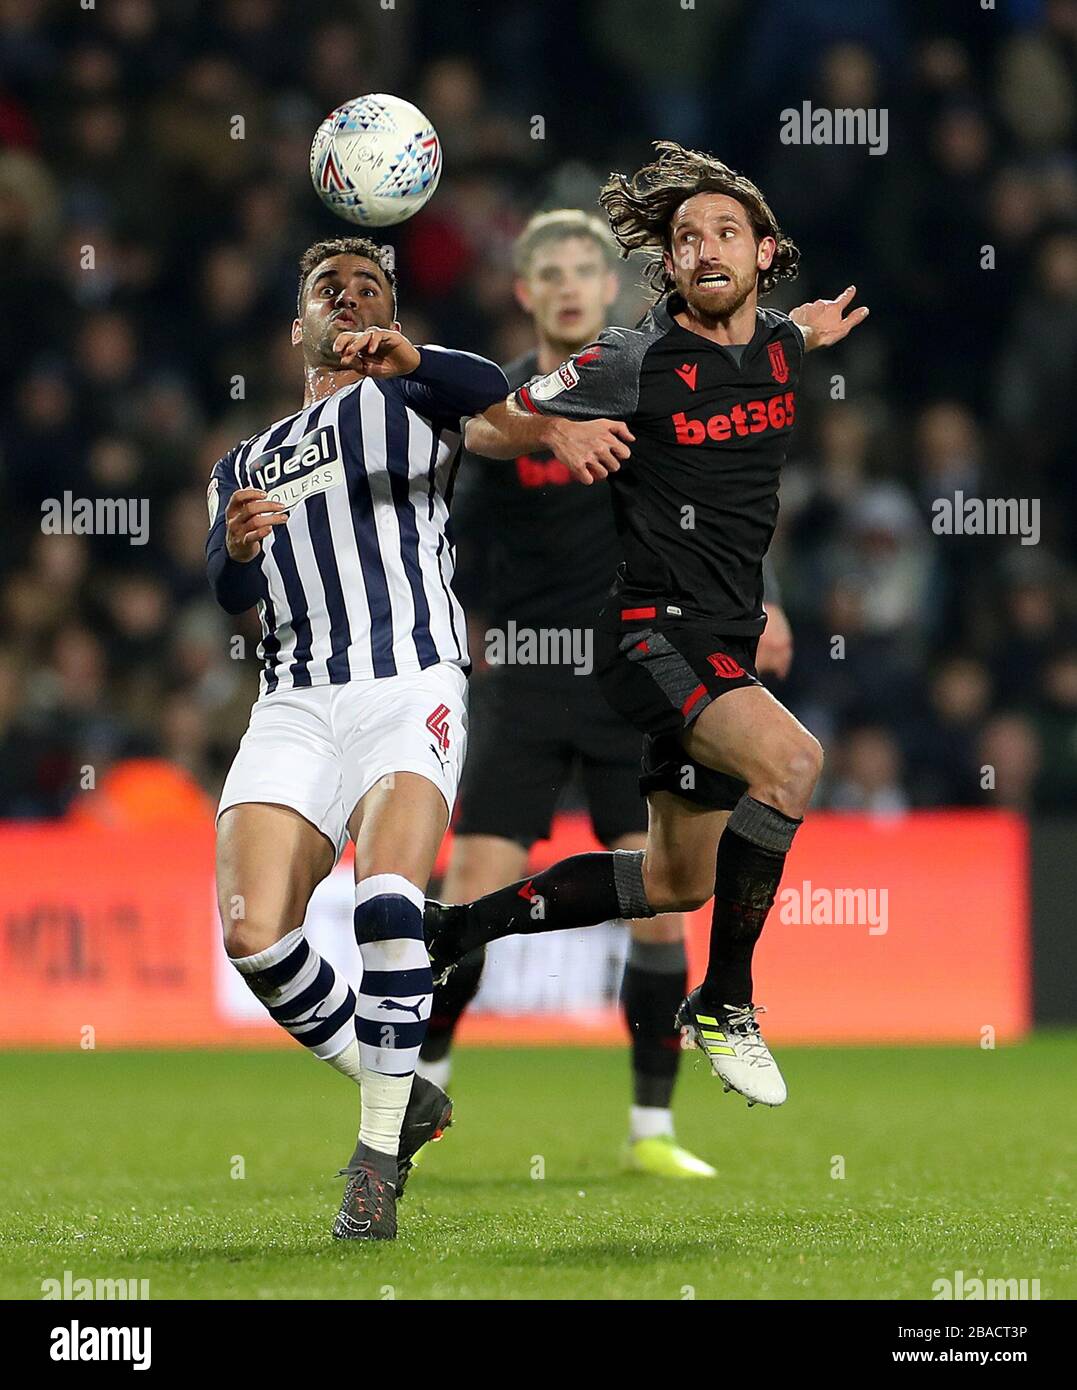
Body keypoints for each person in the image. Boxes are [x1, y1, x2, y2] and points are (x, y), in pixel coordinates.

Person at [425, 143, 869, 1108]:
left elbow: (780, 334)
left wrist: (807, 329)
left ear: (764, 251)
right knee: (792, 765)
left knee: (673, 885)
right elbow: (489, 418)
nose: (703, 248)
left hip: (727, 636)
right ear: (665, 266)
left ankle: (461, 928)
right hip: (650, 636)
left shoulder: (783, 348)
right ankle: (728, 1002)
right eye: (683, 238)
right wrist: (541, 424)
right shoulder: (631, 360)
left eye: (723, 232)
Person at [206, 235, 509, 1240]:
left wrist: (413, 355)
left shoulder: (415, 399)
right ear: (299, 325)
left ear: (387, 313)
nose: (347, 298)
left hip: (405, 682)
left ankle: (375, 1165)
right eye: (328, 289)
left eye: (369, 286)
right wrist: (240, 551)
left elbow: (494, 385)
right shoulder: (241, 464)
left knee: (386, 898)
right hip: (294, 700)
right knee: (254, 929)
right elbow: (230, 590)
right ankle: (403, 1088)